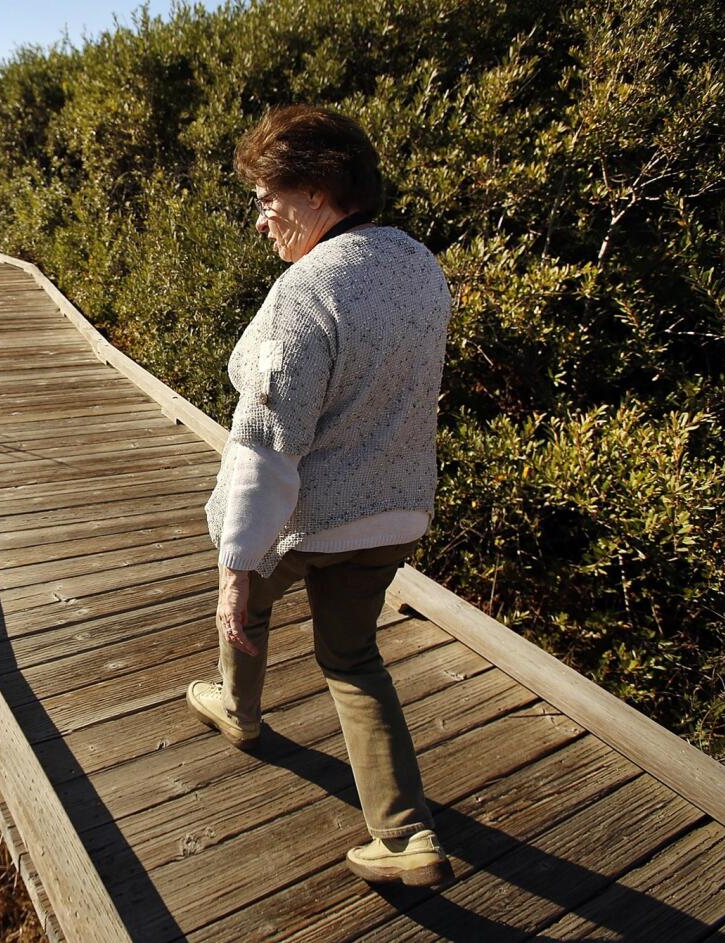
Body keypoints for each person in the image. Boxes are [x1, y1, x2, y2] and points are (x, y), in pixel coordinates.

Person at [185, 104, 455, 888]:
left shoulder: (305, 293)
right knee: (351, 656)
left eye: (269, 198)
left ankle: (238, 708)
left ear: (315, 193)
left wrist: (235, 567)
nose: (262, 218)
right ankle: (408, 837)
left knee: (250, 595)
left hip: (315, 515)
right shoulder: (419, 266)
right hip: (397, 512)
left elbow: (268, 445)